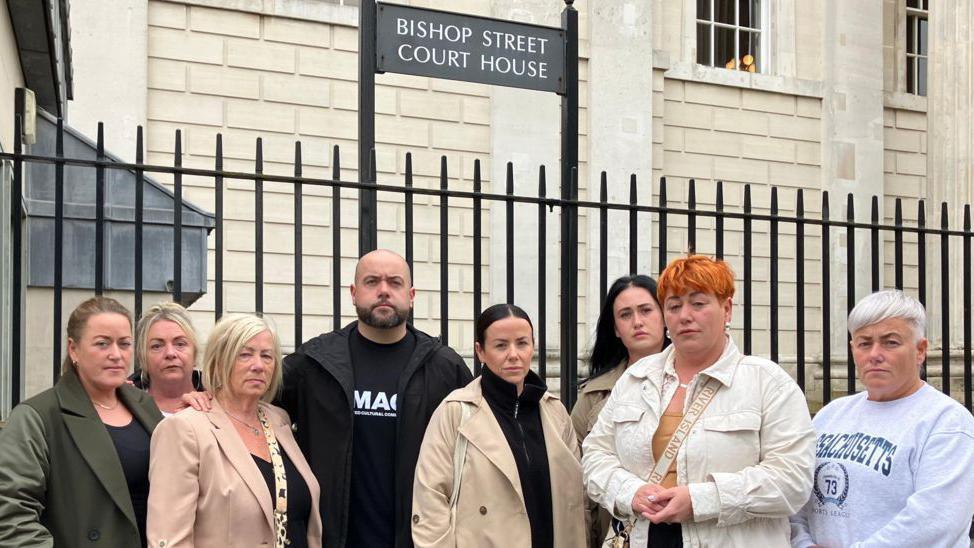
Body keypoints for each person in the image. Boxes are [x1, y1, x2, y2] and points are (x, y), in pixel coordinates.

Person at [582, 254, 815, 547]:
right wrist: (630, 492)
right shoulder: (635, 379)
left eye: (698, 303)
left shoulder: (767, 383)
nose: (685, 316)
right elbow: (595, 455)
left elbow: (792, 479)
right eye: (674, 306)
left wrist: (701, 500)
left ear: (726, 309)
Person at [279, 249, 472, 547]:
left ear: (411, 295)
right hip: (332, 538)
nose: (383, 291)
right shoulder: (314, 363)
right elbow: (251, 403)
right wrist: (200, 397)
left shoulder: (445, 367)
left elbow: (480, 442)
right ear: (354, 293)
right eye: (372, 282)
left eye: (394, 283)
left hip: (418, 538)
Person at [790, 290, 974, 548]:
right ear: (854, 350)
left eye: (891, 342)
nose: (875, 354)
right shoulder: (830, 415)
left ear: (920, 350)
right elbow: (797, 495)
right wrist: (803, 543)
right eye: (865, 343)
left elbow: (935, 522)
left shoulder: (946, 422)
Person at [411, 303, 586, 548]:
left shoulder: (554, 412)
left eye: (522, 343)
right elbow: (430, 498)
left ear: (533, 346)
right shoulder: (455, 411)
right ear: (480, 351)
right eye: (501, 345)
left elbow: (577, 498)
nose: (513, 354)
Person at [147, 314, 322, 548]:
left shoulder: (279, 420)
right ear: (220, 361)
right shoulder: (184, 429)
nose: (258, 365)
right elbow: (169, 539)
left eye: (267, 356)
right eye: (245, 354)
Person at [0, 296, 163, 547]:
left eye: (125, 343)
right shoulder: (38, 416)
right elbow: (12, 516)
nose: (116, 355)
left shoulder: (145, 405)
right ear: (73, 349)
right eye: (102, 344)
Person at [572, 275, 668, 546]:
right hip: (619, 533)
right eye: (625, 315)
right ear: (615, 328)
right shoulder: (593, 395)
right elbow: (577, 481)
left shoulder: (697, 381)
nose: (637, 321)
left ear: (664, 316)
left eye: (646, 310)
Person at [131, 302, 203, 415]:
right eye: (157, 346)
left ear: (195, 352)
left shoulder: (218, 401)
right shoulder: (125, 404)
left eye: (180, 344)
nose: (170, 353)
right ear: (142, 356)